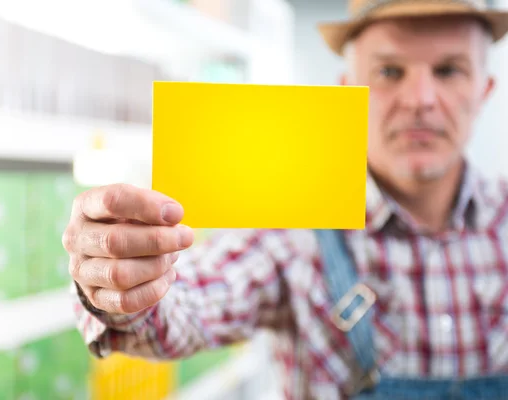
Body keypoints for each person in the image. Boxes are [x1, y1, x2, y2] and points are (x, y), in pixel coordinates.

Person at [62, 0, 508, 398]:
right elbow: (187, 308)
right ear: (349, 89)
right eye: (390, 71)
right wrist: (125, 283)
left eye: (448, 70)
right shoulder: (295, 231)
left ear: (484, 89)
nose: (420, 99)